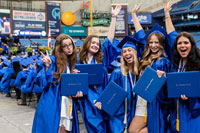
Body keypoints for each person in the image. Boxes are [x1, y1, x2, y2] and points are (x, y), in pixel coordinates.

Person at [128, 3, 172, 133]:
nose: (153, 45)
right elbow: (141, 34)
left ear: (162, 44)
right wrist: (134, 15)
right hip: (140, 100)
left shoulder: (164, 62)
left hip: (153, 103)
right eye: (151, 42)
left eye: (156, 42)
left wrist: (167, 14)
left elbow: (167, 84)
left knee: (133, 130)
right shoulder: (144, 58)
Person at [77, 5, 122, 133]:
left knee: (110, 127)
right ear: (87, 44)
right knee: (96, 128)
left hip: (105, 97)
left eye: (97, 44)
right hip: (89, 101)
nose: (96, 45)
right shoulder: (78, 62)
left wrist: (114, 17)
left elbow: (109, 39)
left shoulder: (101, 59)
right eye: (93, 43)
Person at [32, 34, 83, 133]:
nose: (69, 48)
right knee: (52, 128)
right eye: (65, 45)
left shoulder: (74, 62)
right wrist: (47, 67)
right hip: (53, 100)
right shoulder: (52, 60)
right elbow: (41, 83)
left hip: (68, 101)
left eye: (70, 44)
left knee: (66, 129)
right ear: (60, 48)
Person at [164, 1, 200, 132]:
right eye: (179, 43)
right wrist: (167, 14)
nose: (182, 45)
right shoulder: (175, 64)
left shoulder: (198, 64)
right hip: (177, 113)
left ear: (191, 45)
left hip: (194, 113)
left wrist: (192, 97)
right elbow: (172, 35)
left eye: (186, 42)